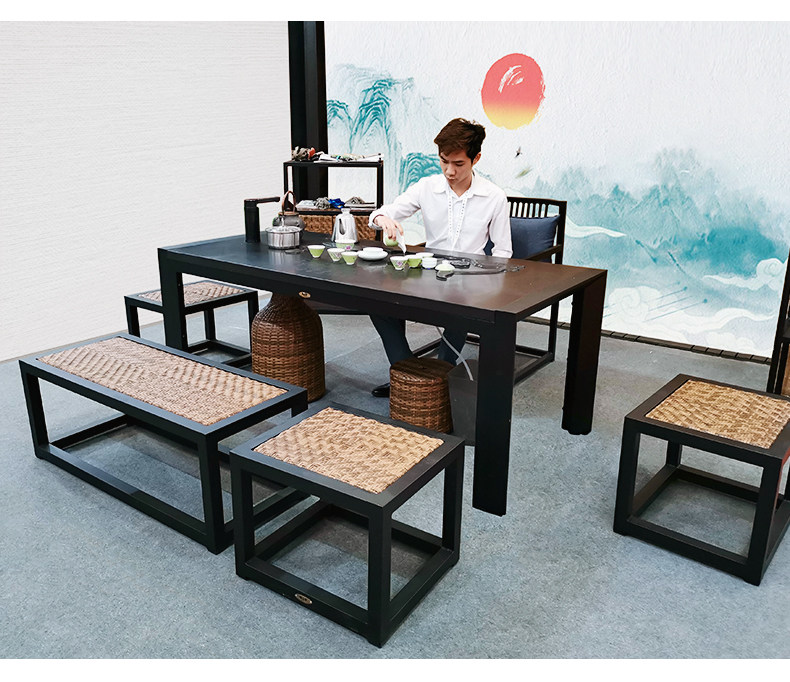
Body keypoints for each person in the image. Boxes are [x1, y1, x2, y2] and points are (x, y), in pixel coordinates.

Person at [367, 117, 512, 397]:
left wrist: (491, 288)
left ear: (476, 159)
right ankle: (406, 370)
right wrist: (383, 219)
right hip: (428, 273)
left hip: (471, 277)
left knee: (462, 307)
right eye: (444, 161)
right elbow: (382, 213)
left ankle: (440, 375)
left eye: (458, 164)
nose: (449, 171)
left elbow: (503, 252)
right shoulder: (427, 187)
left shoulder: (494, 196)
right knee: (377, 302)